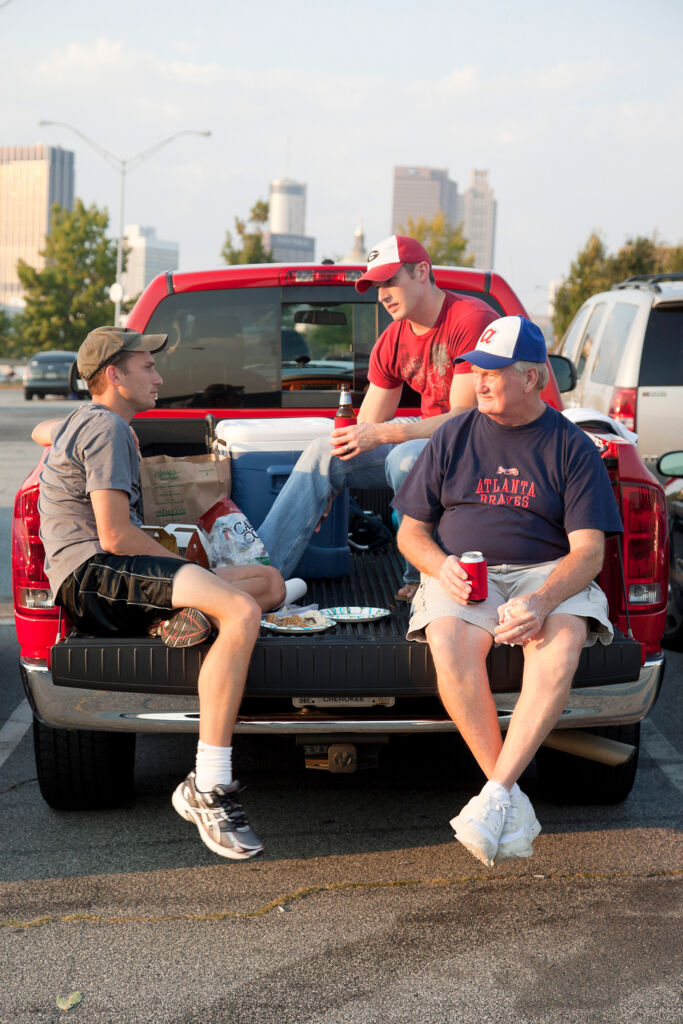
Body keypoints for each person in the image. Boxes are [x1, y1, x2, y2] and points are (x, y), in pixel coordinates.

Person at [36, 326, 287, 861]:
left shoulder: (96, 422)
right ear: (114, 375)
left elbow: (47, 430)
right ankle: (210, 786)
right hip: (96, 575)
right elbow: (114, 536)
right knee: (241, 610)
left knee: (270, 583)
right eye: (147, 366)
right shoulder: (103, 427)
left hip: (106, 576)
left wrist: (196, 577)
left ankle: (176, 615)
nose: (159, 376)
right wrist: (189, 569)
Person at [392, 315, 623, 868]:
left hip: (547, 572)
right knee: (449, 644)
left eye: (494, 372)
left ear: (533, 378)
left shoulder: (573, 447)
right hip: (465, 570)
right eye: (477, 369)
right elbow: (409, 533)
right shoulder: (454, 433)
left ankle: (494, 795)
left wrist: (543, 600)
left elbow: (589, 552)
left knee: (561, 644)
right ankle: (507, 795)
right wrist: (440, 564)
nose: (480, 380)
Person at [258, 234, 498, 601]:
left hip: (486, 447)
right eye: (375, 286)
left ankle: (423, 579)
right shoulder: (393, 338)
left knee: (407, 457)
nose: (382, 294)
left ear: (421, 271)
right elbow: (363, 431)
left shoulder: (470, 318)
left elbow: (464, 420)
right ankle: (261, 579)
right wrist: (325, 489)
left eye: (390, 281)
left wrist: (384, 437)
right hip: (433, 440)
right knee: (327, 451)